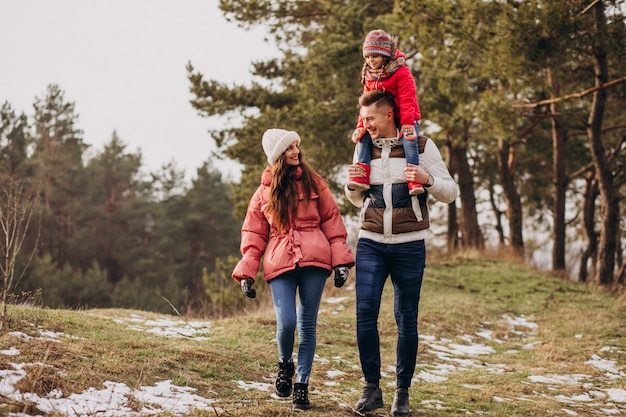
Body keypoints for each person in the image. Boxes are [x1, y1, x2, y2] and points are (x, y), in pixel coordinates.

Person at [345, 90, 458, 416]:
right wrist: (352, 185)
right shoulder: (363, 146)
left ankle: (402, 394)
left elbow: (450, 192)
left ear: (390, 115)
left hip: (410, 244)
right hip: (370, 242)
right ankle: (371, 387)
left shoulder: (421, 147)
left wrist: (428, 179)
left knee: (406, 319)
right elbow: (356, 198)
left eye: (370, 119)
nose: (365, 125)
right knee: (365, 312)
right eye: (364, 119)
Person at [232, 128, 355, 411]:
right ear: (278, 155)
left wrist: (341, 262)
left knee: (308, 324)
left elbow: (332, 223)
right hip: (280, 259)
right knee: (286, 322)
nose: (296, 151)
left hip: (315, 259)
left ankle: (302, 385)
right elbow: (253, 234)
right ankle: (285, 364)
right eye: (290, 148)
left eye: (297, 146)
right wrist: (247, 272)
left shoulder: (315, 184)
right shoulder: (264, 192)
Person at [350, 29, 424, 196]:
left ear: (385, 55)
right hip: (381, 118)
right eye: (367, 57)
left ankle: (413, 176)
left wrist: (406, 123)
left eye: (374, 56)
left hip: (405, 116)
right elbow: (366, 103)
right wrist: (362, 125)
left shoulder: (401, 72)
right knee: (363, 138)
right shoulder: (369, 74)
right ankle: (362, 171)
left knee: (409, 142)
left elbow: (408, 99)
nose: (370, 61)